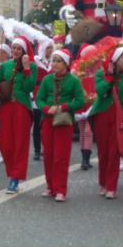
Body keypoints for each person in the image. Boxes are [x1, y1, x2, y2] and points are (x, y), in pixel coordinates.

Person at [36, 48, 85, 202]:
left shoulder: (74, 81)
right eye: (54, 60)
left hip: (64, 121)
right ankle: (50, 187)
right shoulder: (47, 80)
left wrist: (63, 107)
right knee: (48, 155)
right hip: (48, 120)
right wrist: (45, 108)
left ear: (66, 64)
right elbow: (39, 98)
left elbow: (80, 101)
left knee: (61, 157)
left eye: (59, 61)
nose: (55, 64)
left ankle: (60, 189)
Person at [88, 46, 123, 199]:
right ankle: (102, 182)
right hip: (102, 115)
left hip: (117, 118)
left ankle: (111, 186)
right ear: (115, 59)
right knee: (103, 152)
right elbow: (100, 91)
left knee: (114, 153)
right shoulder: (101, 74)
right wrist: (109, 77)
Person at [0, 36, 37, 194]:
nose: (16, 51)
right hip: (6, 106)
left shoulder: (31, 66)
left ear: (24, 51)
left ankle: (15, 178)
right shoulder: (5, 65)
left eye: (19, 48)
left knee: (20, 143)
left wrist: (26, 69)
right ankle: (12, 171)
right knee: (4, 141)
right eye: (14, 48)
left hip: (21, 107)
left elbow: (29, 87)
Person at [33, 39, 55, 161]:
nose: (49, 50)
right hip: (37, 95)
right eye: (47, 48)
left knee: (48, 123)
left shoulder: (56, 61)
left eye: (51, 47)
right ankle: (37, 150)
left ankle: (47, 148)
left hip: (51, 96)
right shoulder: (36, 61)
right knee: (37, 124)